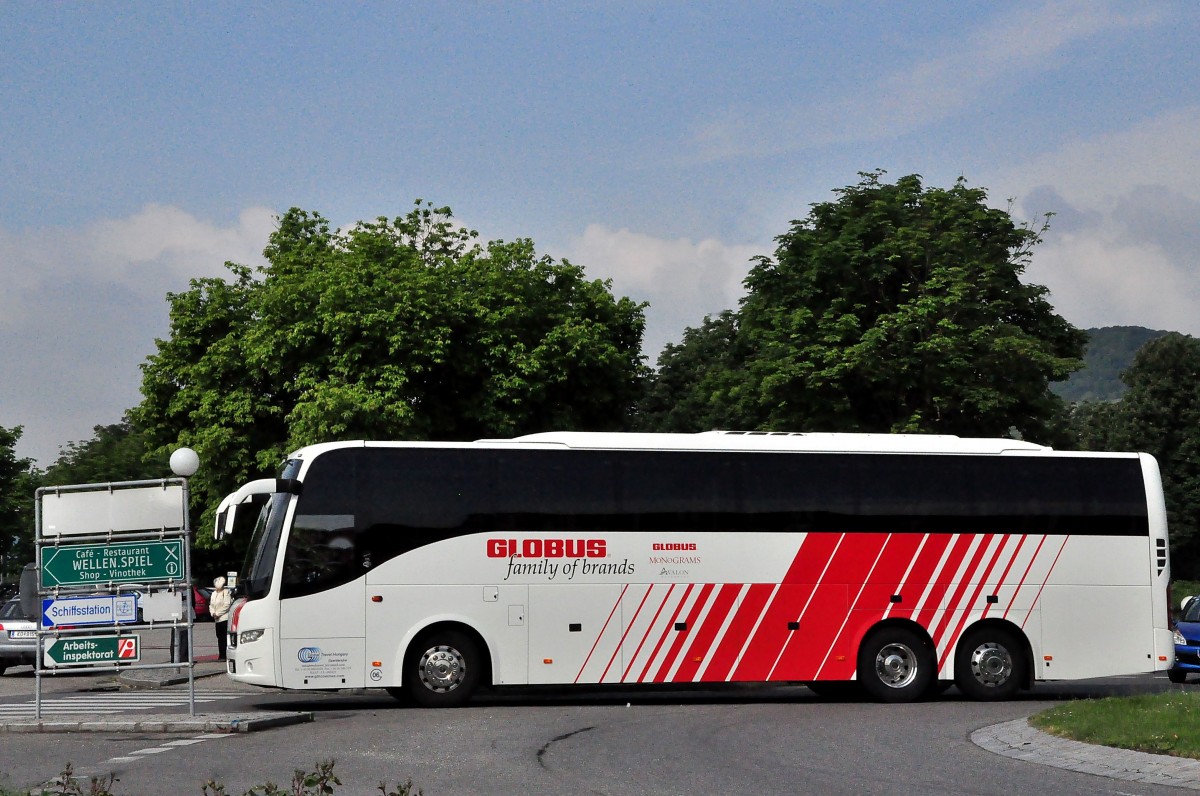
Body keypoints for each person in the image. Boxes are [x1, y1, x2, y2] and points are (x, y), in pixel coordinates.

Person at [209, 576, 233, 661]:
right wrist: (213, 613)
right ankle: (221, 654)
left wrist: (218, 613)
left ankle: (226, 654)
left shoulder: (226, 593)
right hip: (217, 619)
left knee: (224, 637)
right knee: (219, 637)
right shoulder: (213, 594)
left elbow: (227, 605)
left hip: (224, 618)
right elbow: (211, 605)